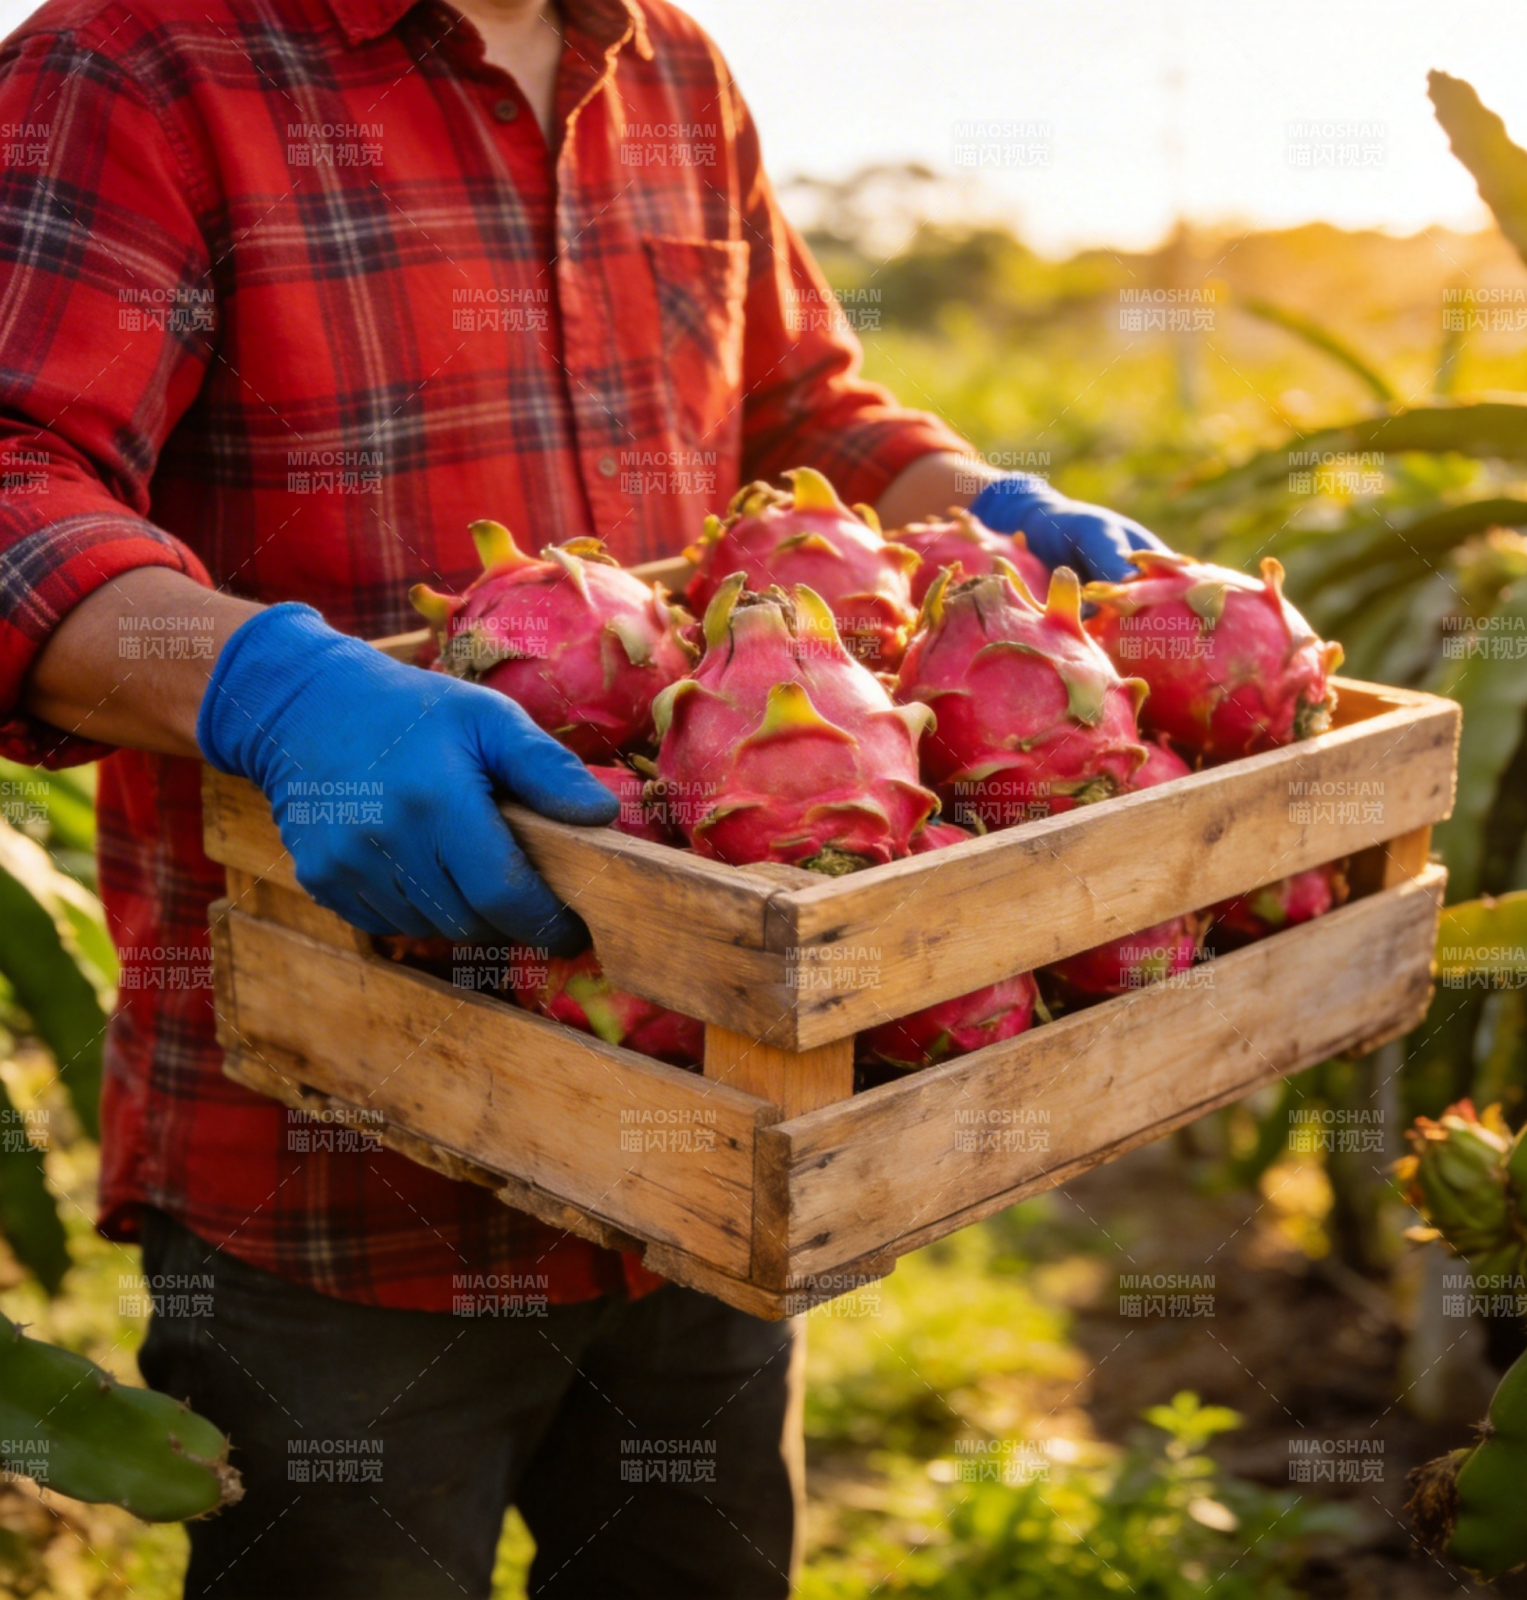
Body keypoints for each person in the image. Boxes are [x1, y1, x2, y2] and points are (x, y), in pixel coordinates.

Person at [0, 0, 1165, 1592]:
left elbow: (798, 410)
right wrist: (266, 686)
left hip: (716, 1113)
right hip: (337, 1151)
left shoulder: (672, 66)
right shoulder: (136, 62)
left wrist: (985, 509)